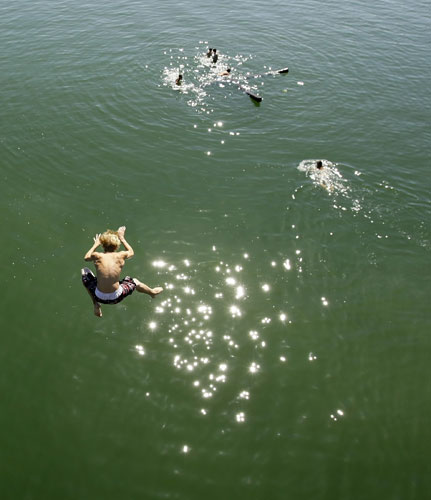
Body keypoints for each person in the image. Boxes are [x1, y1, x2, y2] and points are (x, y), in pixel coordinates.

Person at [81, 226, 163, 317]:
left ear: (102, 245)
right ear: (117, 246)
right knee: (135, 281)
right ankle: (152, 293)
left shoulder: (97, 256)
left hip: (99, 296)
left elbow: (86, 257)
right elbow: (131, 252)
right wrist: (122, 238)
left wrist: (95, 244)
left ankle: (96, 304)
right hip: (117, 297)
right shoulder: (121, 255)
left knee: (85, 271)